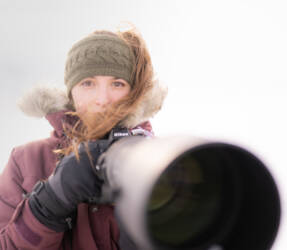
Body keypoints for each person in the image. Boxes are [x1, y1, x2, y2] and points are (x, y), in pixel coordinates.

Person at [0, 26, 167, 249]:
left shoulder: (162, 160)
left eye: (117, 84)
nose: (102, 99)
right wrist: (49, 202)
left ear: (133, 93)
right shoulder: (26, 160)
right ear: (71, 93)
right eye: (87, 83)